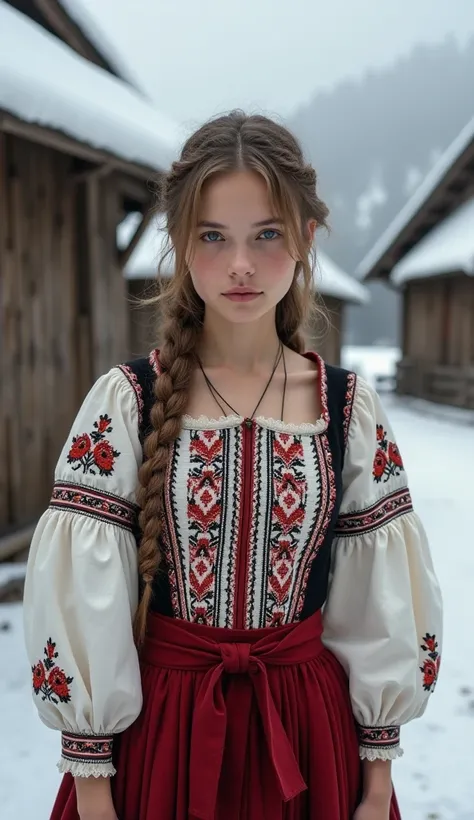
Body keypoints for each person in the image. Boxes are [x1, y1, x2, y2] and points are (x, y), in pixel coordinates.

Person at [23, 111, 442, 820]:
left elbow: (380, 602)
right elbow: (82, 596)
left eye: (267, 235)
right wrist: (94, 789)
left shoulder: (348, 409)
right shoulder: (127, 404)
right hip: (164, 738)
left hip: (309, 743)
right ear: (181, 244)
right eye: (213, 236)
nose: (240, 264)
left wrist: (375, 784)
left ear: (306, 240)